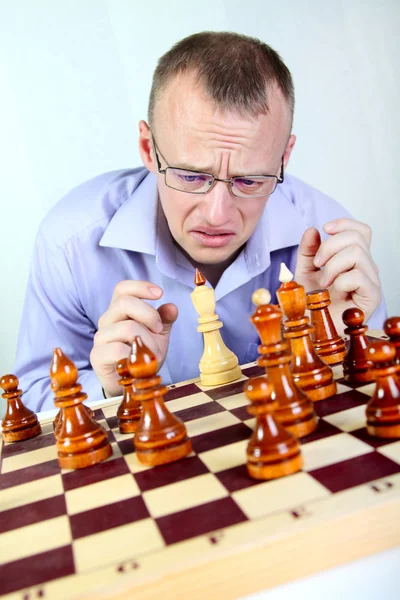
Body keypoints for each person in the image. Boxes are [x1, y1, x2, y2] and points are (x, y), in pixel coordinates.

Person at [14, 31, 385, 412]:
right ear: (148, 148)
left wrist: (337, 343)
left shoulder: (331, 238)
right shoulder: (70, 243)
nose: (217, 214)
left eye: (250, 180)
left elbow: (377, 413)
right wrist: (111, 391)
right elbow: (29, 402)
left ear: (283, 159)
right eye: (191, 176)